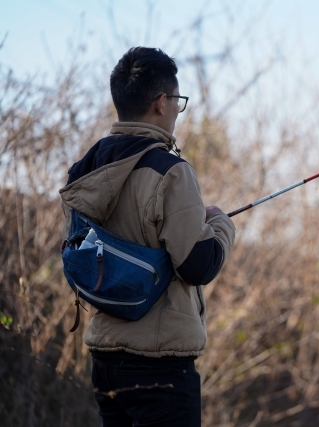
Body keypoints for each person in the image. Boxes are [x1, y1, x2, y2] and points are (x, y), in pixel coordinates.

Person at [59, 47, 235, 426]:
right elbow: (198, 264)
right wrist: (221, 224)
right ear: (160, 102)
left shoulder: (86, 169)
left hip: (104, 361)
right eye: (177, 101)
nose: (176, 110)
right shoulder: (170, 171)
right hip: (161, 370)